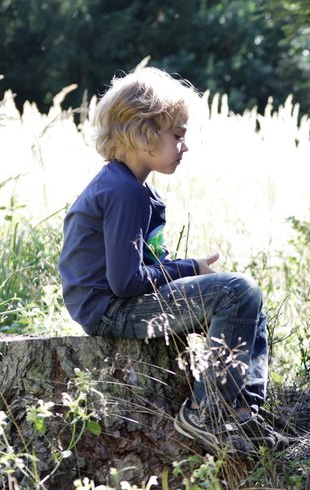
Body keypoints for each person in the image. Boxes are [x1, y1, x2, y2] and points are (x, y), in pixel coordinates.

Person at [58, 67, 285, 456]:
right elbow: (126, 282)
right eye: (177, 135)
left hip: (117, 302)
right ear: (143, 134)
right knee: (237, 292)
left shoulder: (132, 188)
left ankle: (241, 411)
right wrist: (191, 268)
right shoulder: (122, 192)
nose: (185, 146)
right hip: (110, 309)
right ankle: (209, 412)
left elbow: (144, 266)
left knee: (247, 301)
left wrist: (186, 274)